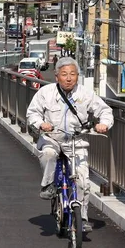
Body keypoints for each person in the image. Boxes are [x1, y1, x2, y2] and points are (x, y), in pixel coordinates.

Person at [26, 57, 113, 232]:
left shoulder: (85, 94)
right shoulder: (46, 92)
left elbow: (105, 110)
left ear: (78, 76)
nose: (68, 78)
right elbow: (32, 113)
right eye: (64, 74)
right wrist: (41, 124)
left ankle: (82, 217)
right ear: (56, 76)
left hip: (77, 140)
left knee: (82, 181)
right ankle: (48, 185)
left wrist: (104, 123)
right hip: (52, 137)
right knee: (49, 154)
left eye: (72, 74)